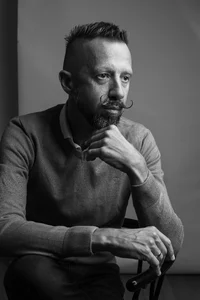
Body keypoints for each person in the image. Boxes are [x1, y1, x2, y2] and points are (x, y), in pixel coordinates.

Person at [0, 22, 184, 300]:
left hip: (98, 276)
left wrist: (139, 171)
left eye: (125, 78)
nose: (118, 92)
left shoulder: (139, 140)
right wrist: (103, 237)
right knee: (34, 275)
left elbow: (172, 243)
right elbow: (5, 228)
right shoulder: (24, 132)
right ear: (68, 82)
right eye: (103, 76)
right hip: (36, 262)